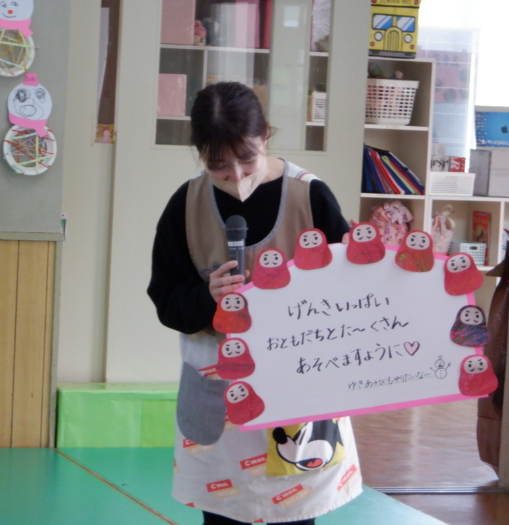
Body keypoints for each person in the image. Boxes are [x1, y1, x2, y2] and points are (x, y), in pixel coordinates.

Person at [148, 82, 362, 525]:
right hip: (219, 395)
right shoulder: (185, 205)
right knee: (223, 515)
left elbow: (350, 295)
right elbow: (165, 299)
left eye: (247, 158)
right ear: (201, 155)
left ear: (265, 135)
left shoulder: (310, 196)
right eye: (218, 166)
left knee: (296, 512)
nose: (236, 175)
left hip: (298, 387)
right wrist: (205, 298)